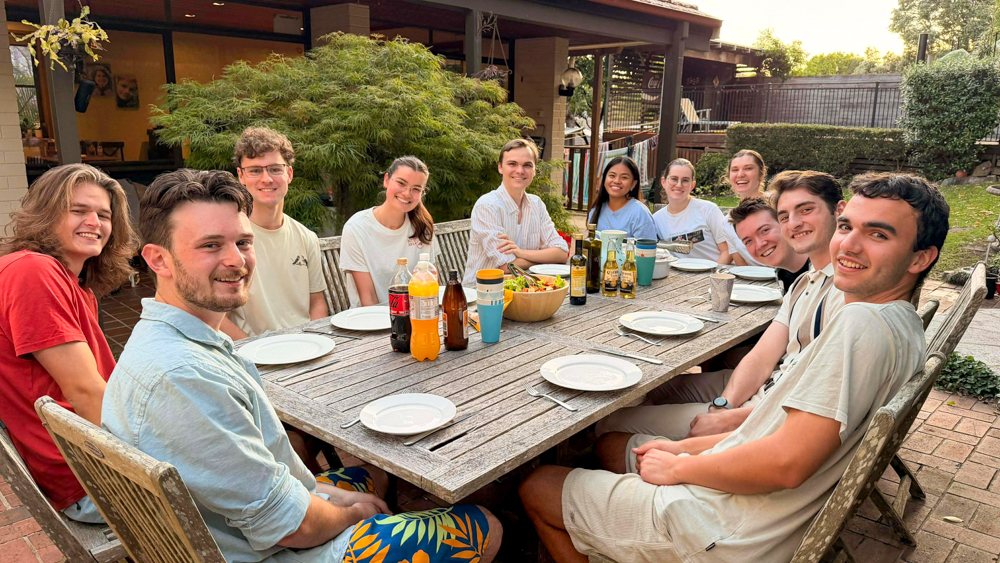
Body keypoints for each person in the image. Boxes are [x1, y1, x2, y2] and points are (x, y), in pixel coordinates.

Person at [520, 172, 948, 563]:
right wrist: (686, 449)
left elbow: (785, 463)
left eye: (878, 234)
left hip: (726, 528)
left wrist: (679, 467)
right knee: (619, 443)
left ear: (920, 258)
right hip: (749, 506)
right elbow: (774, 430)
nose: (849, 245)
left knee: (538, 485)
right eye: (847, 227)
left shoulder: (859, 324)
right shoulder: (899, 322)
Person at [104, 168, 502, 563]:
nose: (235, 260)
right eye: (210, 245)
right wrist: (356, 514)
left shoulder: (169, 340)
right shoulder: (183, 378)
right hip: (272, 551)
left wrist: (342, 501)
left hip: (242, 525)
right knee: (483, 525)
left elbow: (273, 483)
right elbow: (290, 525)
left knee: (375, 475)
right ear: (159, 259)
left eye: (243, 242)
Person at [597, 170, 846, 442]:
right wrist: (723, 407)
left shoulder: (846, 294)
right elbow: (762, 357)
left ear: (840, 212)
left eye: (806, 210)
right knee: (655, 392)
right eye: (785, 216)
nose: (794, 224)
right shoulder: (804, 282)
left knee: (609, 427)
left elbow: (812, 402)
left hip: (771, 411)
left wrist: (723, 421)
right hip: (770, 387)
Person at [0, 163, 135, 523]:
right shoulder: (32, 271)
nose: (94, 222)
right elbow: (84, 391)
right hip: (92, 477)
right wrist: (146, 461)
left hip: (92, 461)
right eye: (78, 210)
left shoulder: (74, 285)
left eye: (103, 215)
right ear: (46, 215)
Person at [223, 127, 328, 340]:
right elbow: (217, 317)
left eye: (275, 169)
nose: (266, 179)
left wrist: (314, 339)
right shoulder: (227, 238)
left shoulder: (306, 237)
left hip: (305, 344)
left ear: (289, 174)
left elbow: (317, 302)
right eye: (255, 170)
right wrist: (252, 348)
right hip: (252, 349)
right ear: (241, 176)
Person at [464, 138, 569, 285]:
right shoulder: (487, 206)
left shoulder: (536, 204)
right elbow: (506, 266)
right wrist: (543, 259)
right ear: (500, 167)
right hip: (483, 290)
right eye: (512, 164)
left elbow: (562, 253)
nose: (520, 171)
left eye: (527, 165)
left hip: (525, 287)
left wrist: (520, 253)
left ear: (534, 171)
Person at [341, 156, 439, 307]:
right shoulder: (356, 228)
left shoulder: (423, 226)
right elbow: (368, 299)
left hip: (418, 314)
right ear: (386, 180)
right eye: (401, 183)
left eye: (416, 189)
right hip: (372, 317)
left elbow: (433, 285)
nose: (407, 193)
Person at [651, 158, 733, 264]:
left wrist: (714, 273)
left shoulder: (708, 210)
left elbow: (727, 251)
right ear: (664, 182)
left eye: (685, 180)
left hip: (714, 271)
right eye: (674, 179)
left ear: (692, 185)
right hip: (677, 273)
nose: (679, 185)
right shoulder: (656, 220)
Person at [729, 196, 809, 293]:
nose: (759, 245)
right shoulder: (782, 273)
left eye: (765, 230)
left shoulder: (820, 272)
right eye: (748, 241)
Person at [586, 156, 656, 240]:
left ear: (633, 184)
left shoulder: (640, 213)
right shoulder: (596, 210)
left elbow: (647, 246)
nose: (616, 181)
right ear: (604, 180)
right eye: (612, 176)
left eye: (624, 177)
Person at [724, 150, 769, 266]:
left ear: (762, 174)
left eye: (748, 168)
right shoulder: (728, 222)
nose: (740, 174)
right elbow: (742, 268)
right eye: (735, 170)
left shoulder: (778, 206)